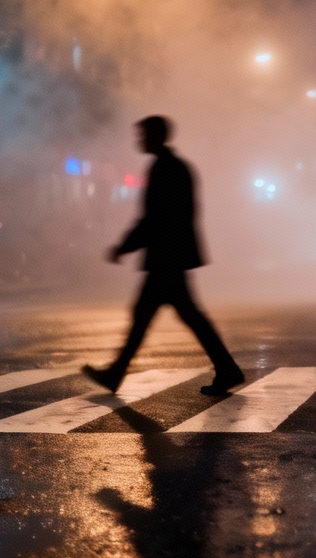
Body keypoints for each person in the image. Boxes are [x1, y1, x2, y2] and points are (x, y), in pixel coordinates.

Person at [82, 115, 244, 396]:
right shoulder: (176, 167)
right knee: (178, 316)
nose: (139, 140)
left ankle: (116, 374)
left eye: (143, 135)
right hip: (172, 256)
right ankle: (226, 368)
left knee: (153, 316)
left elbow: (154, 218)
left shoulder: (164, 169)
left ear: (156, 137)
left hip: (165, 258)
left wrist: (124, 246)